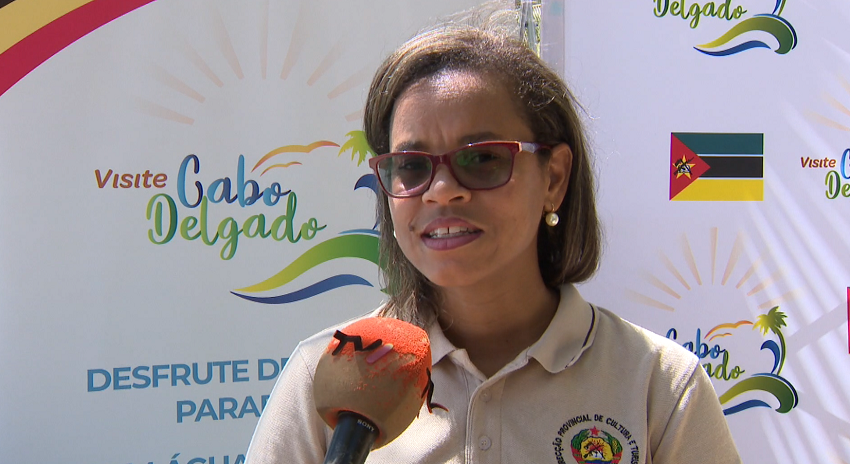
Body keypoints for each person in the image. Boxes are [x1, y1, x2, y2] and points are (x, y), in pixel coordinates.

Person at [245, 11, 742, 464]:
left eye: (481, 158)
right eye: (411, 166)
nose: (441, 191)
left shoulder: (659, 386)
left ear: (554, 179)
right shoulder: (322, 378)